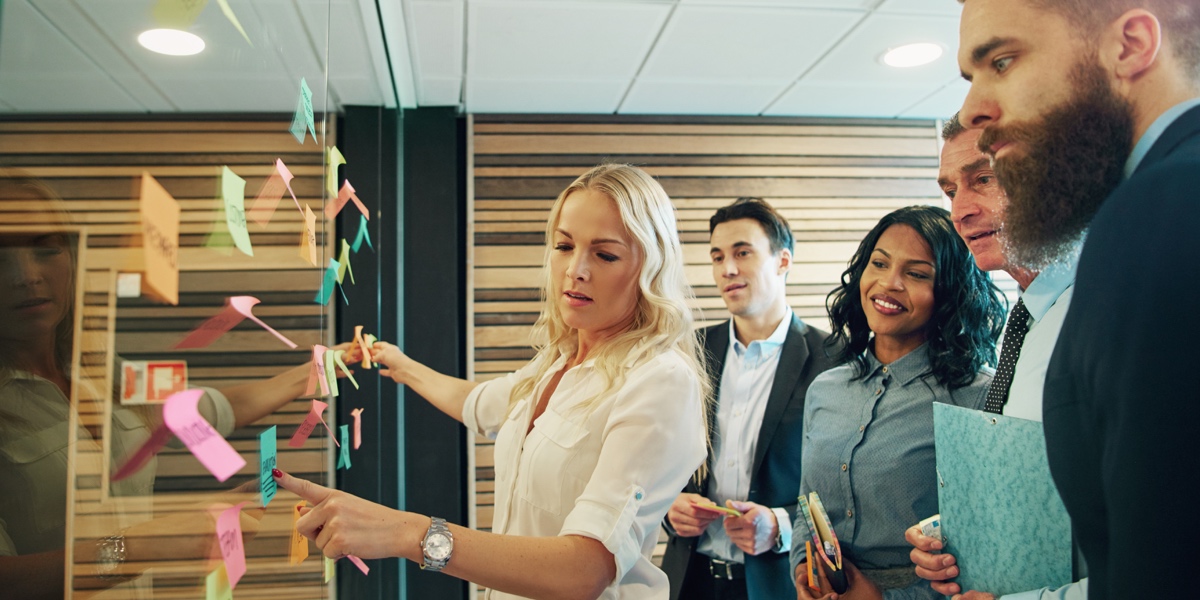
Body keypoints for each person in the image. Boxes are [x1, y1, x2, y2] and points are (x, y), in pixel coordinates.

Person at [273, 163, 710, 600]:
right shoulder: (558, 361)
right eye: (563, 245)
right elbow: (478, 403)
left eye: (605, 254)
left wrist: (406, 532)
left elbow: (584, 569)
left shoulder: (661, 381)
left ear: (651, 266)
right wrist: (399, 364)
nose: (575, 270)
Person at [0, 171, 357, 598]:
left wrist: (322, 366)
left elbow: (206, 412)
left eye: (45, 249)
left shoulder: (99, 372)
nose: (26, 275)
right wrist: (154, 540)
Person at [955, 1, 1200, 597]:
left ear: (1131, 45)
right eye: (971, 77)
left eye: (1003, 60)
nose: (973, 110)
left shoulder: (1162, 207)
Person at [903, 116, 1085, 599]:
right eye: (949, 191)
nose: (959, 211)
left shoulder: (1109, 313)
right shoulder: (1025, 320)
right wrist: (959, 533)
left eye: (983, 179)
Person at [788, 205, 1006, 600]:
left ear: (949, 293)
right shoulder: (825, 389)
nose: (889, 283)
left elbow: (991, 551)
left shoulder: (978, 397)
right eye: (879, 264)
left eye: (917, 274)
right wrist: (804, 570)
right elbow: (808, 503)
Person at [661, 198, 840, 600]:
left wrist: (782, 525)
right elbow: (659, 457)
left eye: (743, 252)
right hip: (687, 579)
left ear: (782, 261)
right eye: (717, 256)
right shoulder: (688, 352)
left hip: (782, 583)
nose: (727, 269)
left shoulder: (836, 360)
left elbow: (851, 492)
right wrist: (669, 506)